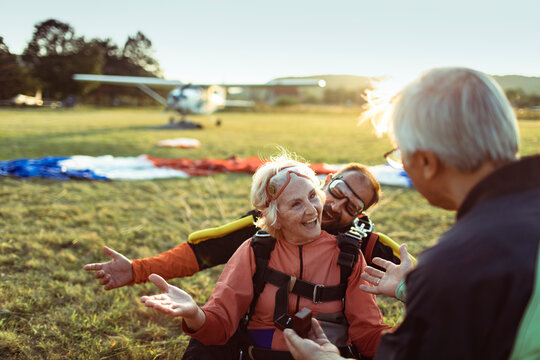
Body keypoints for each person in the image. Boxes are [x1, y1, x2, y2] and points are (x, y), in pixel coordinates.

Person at [283, 67, 540, 359]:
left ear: (427, 162)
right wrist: (410, 288)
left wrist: (323, 358)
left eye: (400, 154)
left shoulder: (457, 265)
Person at [139, 156, 392, 359]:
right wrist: (194, 313)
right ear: (272, 215)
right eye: (295, 204)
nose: (312, 210)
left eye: (312, 196)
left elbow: (369, 333)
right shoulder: (255, 248)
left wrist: (418, 335)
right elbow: (207, 255)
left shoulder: (355, 252)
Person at [84, 163, 410, 290]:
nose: (337, 206)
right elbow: (205, 251)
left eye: (351, 206)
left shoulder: (365, 244)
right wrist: (137, 269)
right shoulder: (273, 217)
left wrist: (406, 288)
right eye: (337, 193)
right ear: (326, 181)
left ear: (358, 217)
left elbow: (424, 282)